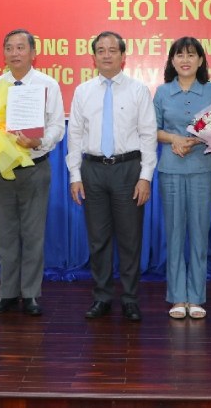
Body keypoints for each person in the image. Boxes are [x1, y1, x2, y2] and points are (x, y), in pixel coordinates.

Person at [66, 31, 157, 322]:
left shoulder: (138, 90)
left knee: (130, 239)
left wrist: (145, 176)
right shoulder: (83, 91)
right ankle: (102, 297)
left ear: (123, 56)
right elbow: (75, 135)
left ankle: (130, 299)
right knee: (98, 239)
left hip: (128, 169)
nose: (106, 55)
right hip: (92, 170)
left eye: (112, 50)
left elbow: (148, 134)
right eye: (101, 50)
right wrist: (74, 175)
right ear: (93, 57)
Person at [0, 29, 65, 317]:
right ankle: (6, 293)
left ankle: (30, 294)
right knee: (4, 234)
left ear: (33, 53)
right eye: (9, 48)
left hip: (35, 167)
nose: (15, 53)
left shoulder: (48, 85)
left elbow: (58, 126)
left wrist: (38, 142)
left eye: (21, 47)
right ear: (3, 53)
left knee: (33, 234)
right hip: (2, 168)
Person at [153, 37, 211, 320]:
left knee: (198, 234)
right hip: (170, 170)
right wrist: (174, 139)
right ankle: (177, 296)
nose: (185, 60)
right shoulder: (162, 92)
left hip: (202, 170)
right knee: (174, 233)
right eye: (180, 55)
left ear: (201, 60)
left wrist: (195, 140)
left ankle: (195, 297)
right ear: (172, 60)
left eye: (191, 55)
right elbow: (153, 129)